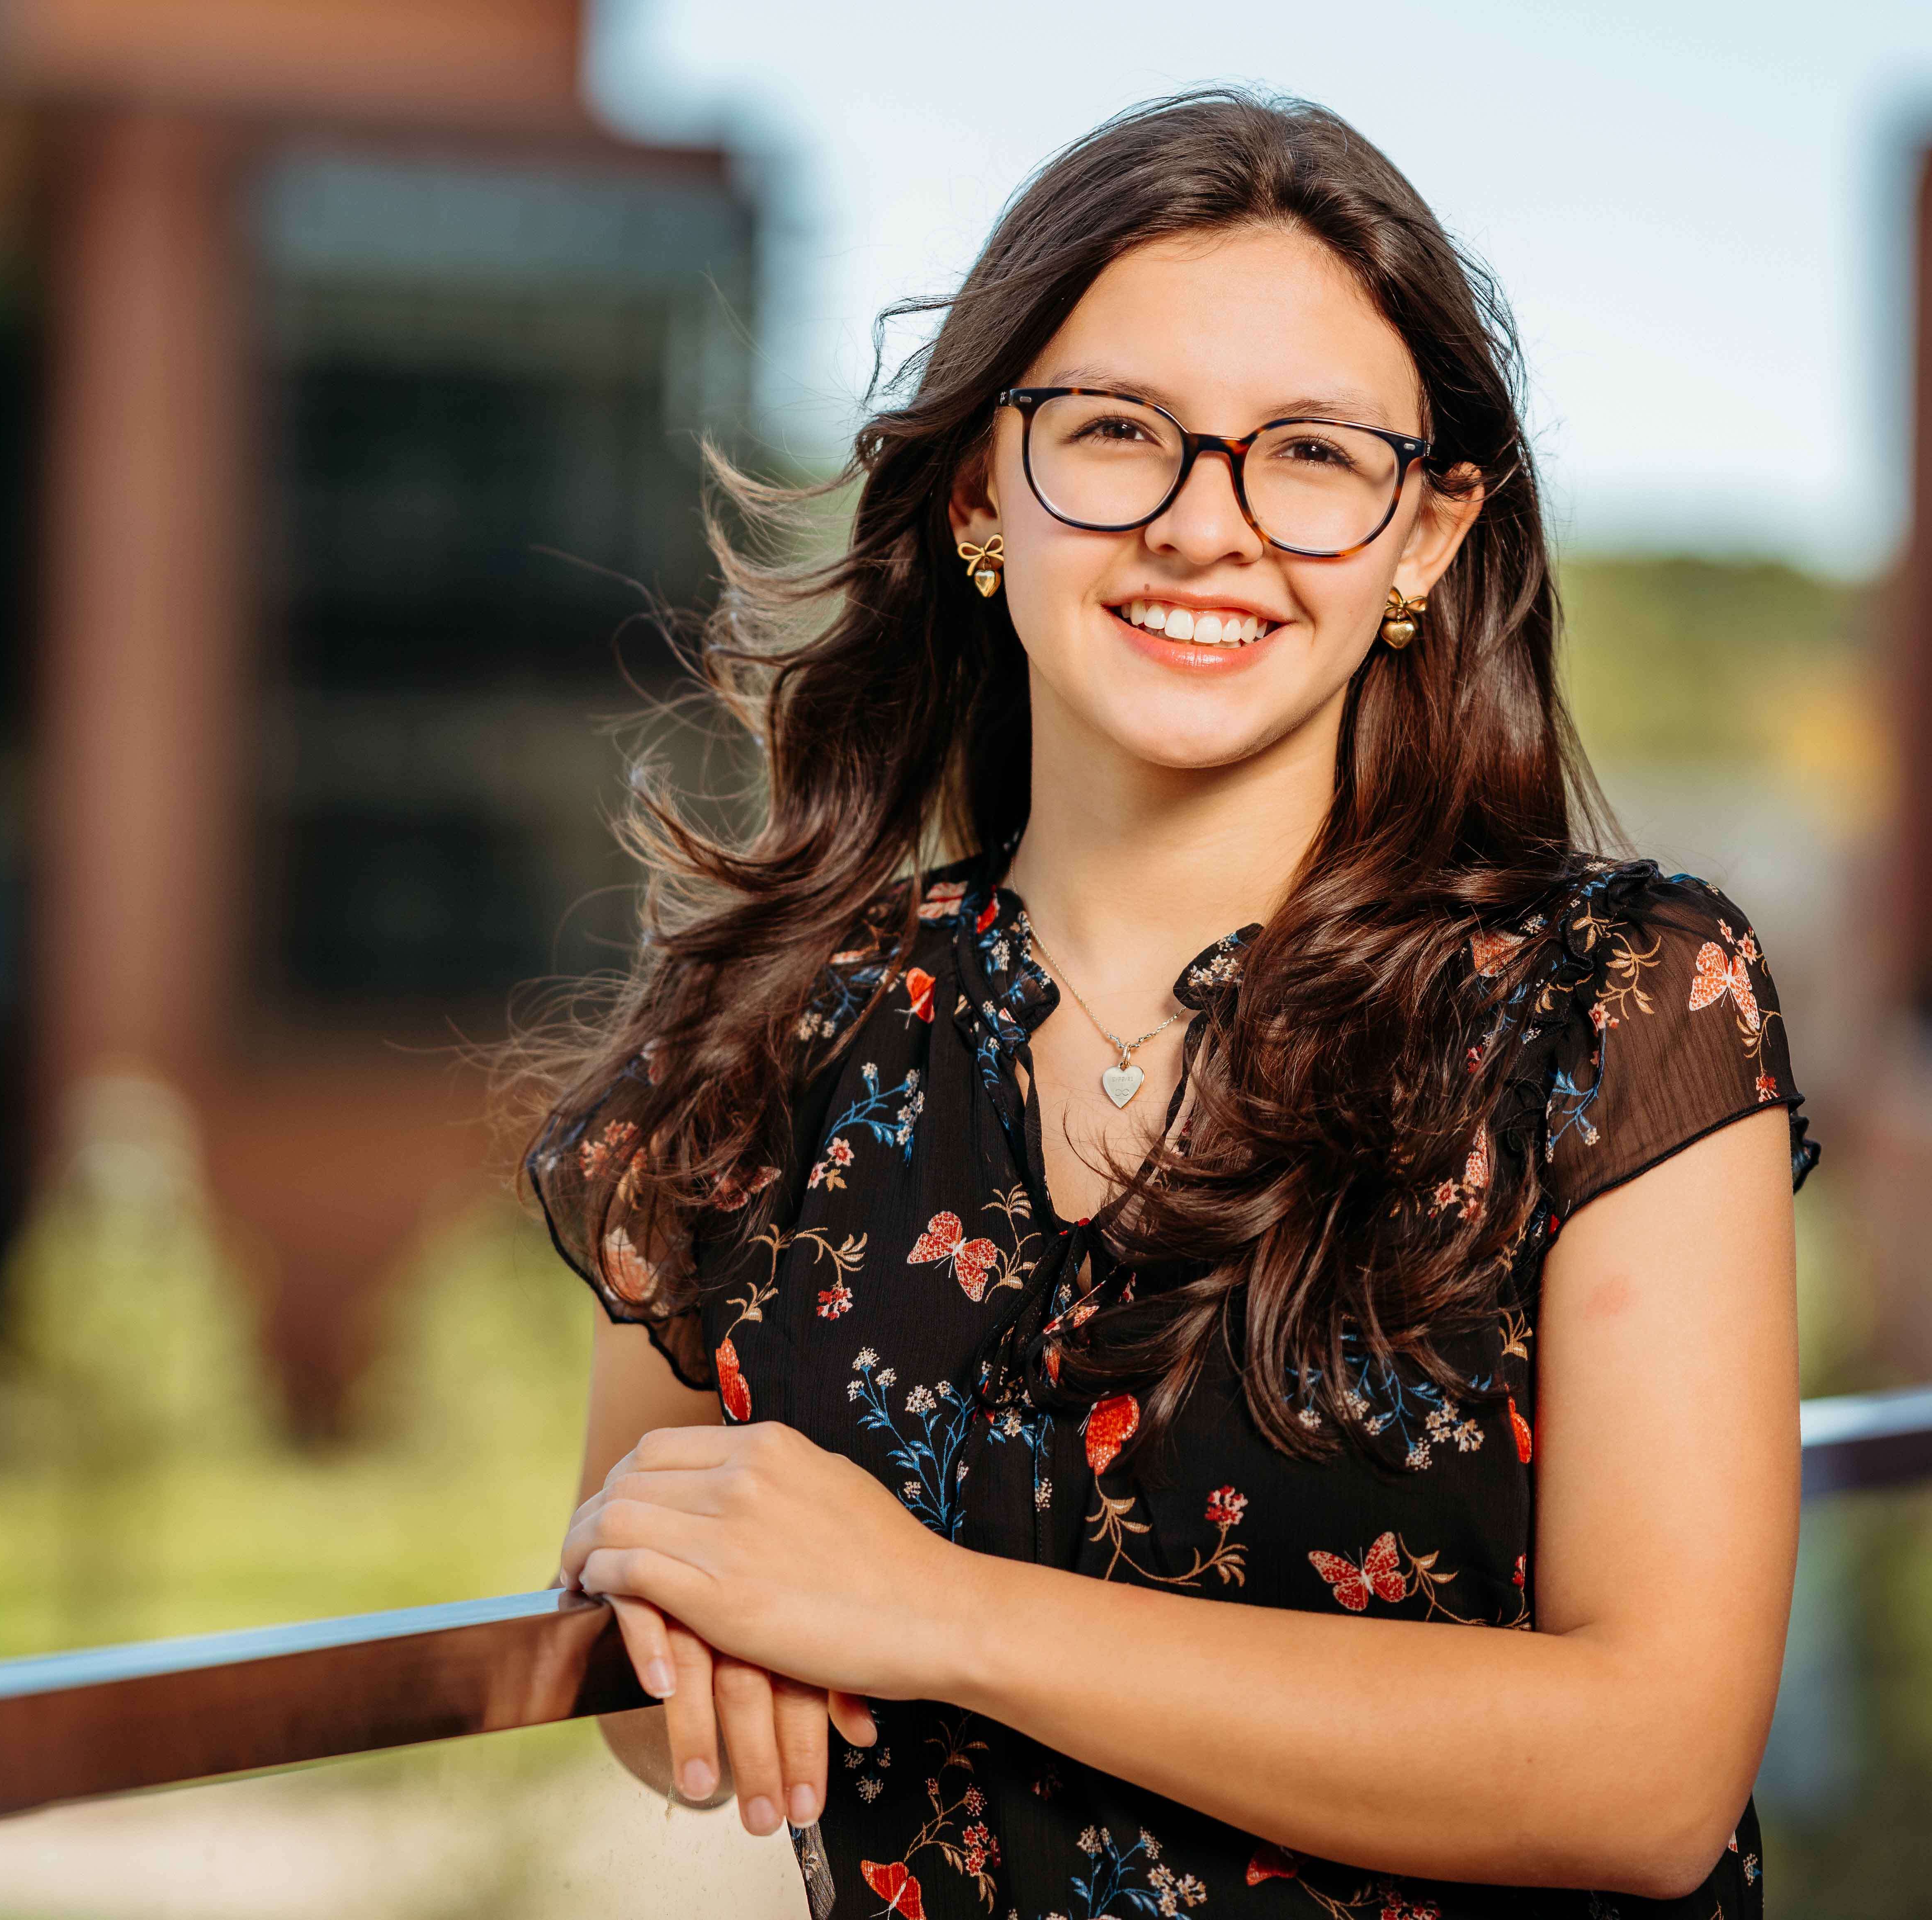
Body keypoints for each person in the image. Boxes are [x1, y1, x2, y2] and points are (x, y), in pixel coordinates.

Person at [523, 89, 1814, 1919]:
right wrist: (679, 1592)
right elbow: (659, 1686)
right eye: (1121, 432)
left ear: (1427, 537)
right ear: (984, 490)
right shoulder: (765, 1037)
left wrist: (940, 1611)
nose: (1209, 527)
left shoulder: (1623, 1002)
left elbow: (1651, 1767)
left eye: (1310, 454)